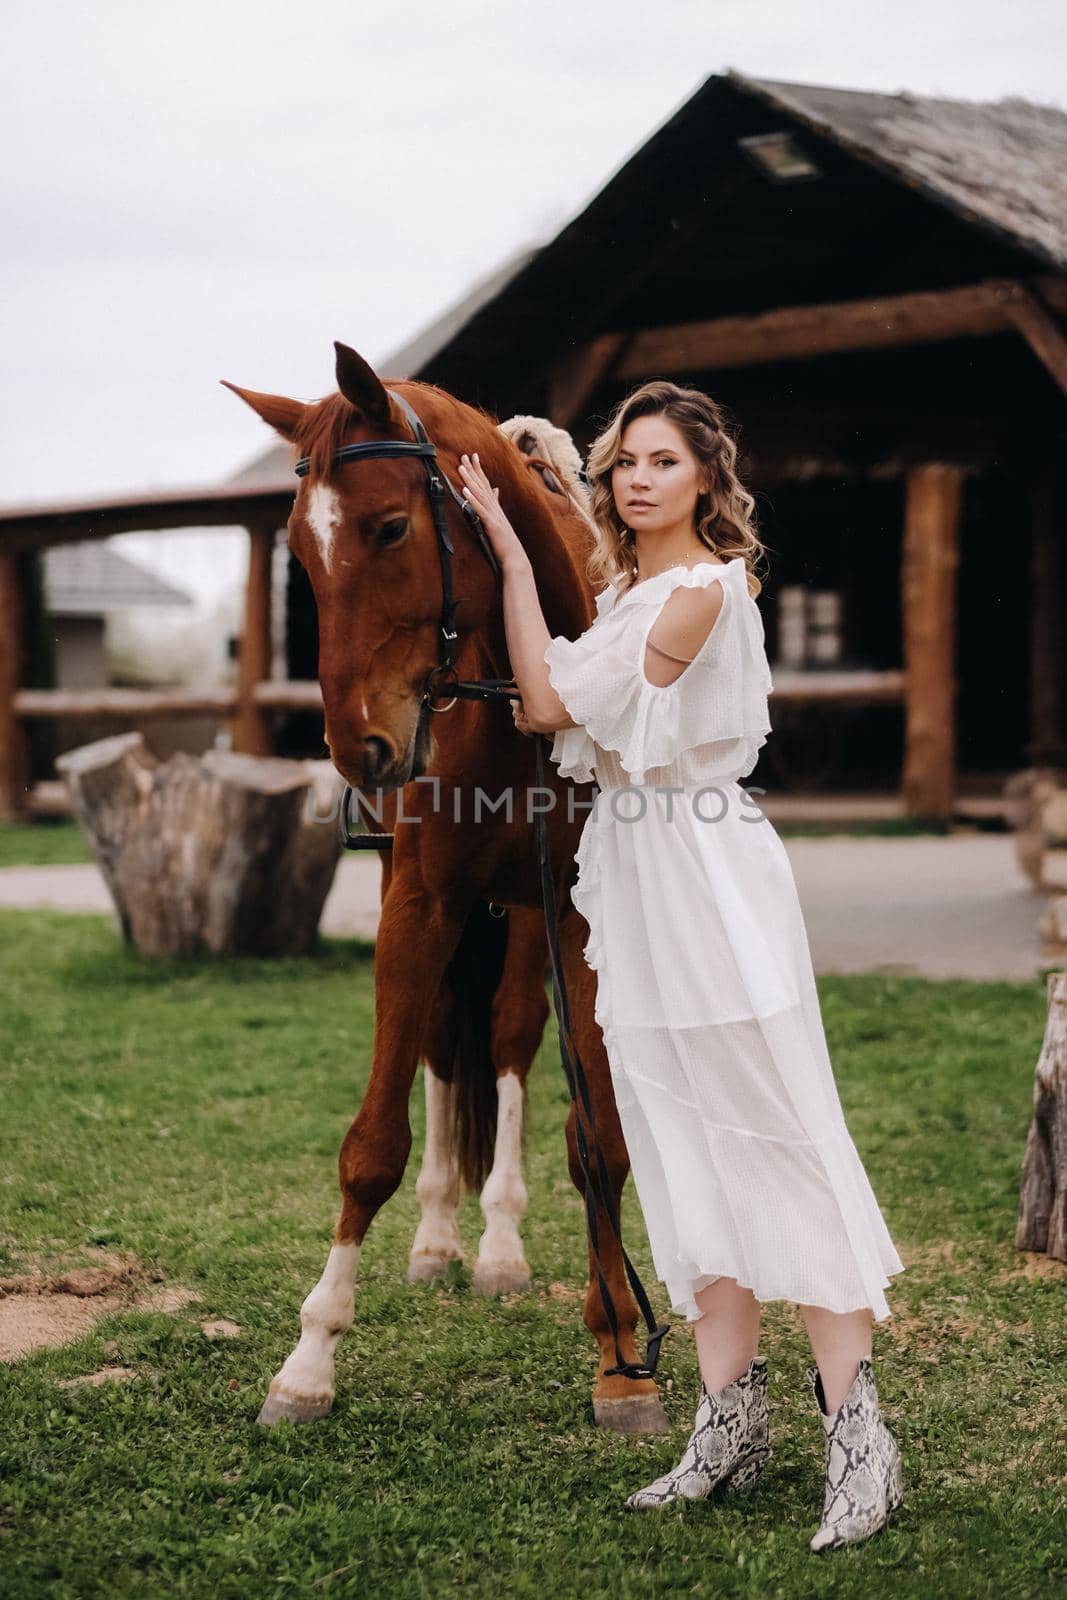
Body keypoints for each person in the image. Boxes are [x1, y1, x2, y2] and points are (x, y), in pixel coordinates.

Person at [457, 379, 905, 1553]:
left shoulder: (703, 590)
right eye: (621, 464)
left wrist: (533, 589)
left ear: (705, 476)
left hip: (705, 869)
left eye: (660, 460)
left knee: (772, 1130)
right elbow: (549, 693)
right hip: (637, 877)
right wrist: (511, 553)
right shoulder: (618, 595)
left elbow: (587, 710)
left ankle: (855, 1433)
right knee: (675, 1136)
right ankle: (727, 1422)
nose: (634, 479)